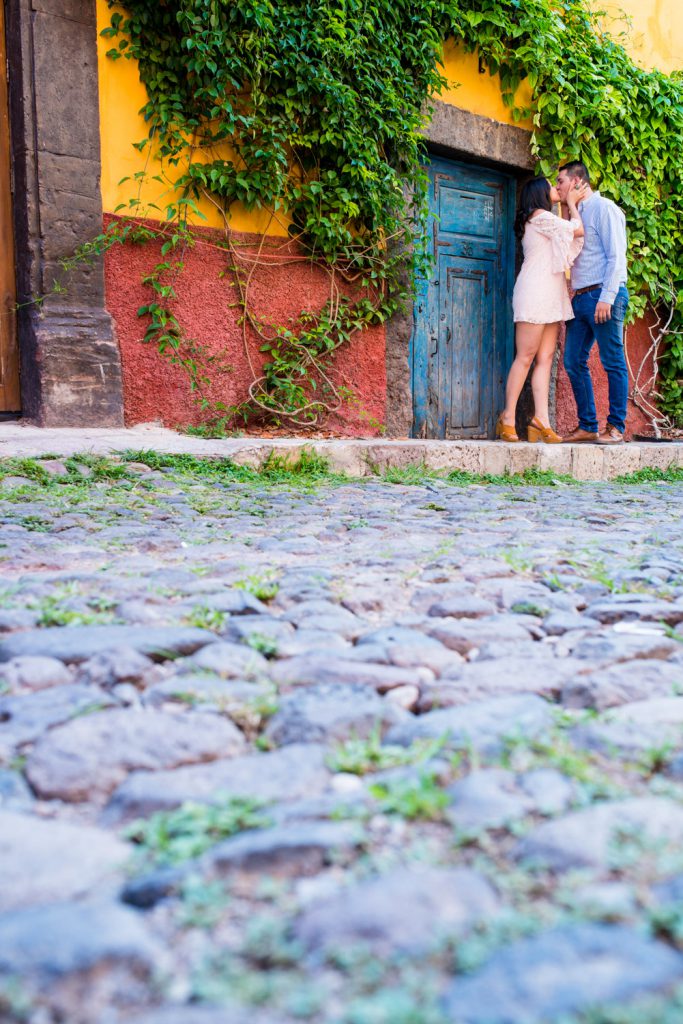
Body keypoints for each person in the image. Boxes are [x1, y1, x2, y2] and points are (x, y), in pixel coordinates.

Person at [497, 176, 586, 443]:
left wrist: (567, 207)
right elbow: (578, 230)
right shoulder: (538, 216)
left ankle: (541, 420)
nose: (555, 188)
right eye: (551, 185)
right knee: (525, 356)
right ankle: (508, 418)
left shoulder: (548, 218)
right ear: (540, 193)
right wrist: (572, 202)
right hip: (534, 291)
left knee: (545, 358)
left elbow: (568, 233)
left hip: (551, 293)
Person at [556, 161, 629, 444]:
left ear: (576, 181)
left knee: (612, 362)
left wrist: (607, 297)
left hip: (603, 294)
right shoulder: (576, 213)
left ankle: (616, 428)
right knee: (573, 360)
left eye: (561, 181)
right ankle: (588, 425)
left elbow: (616, 257)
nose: (558, 187)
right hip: (581, 297)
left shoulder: (605, 209)